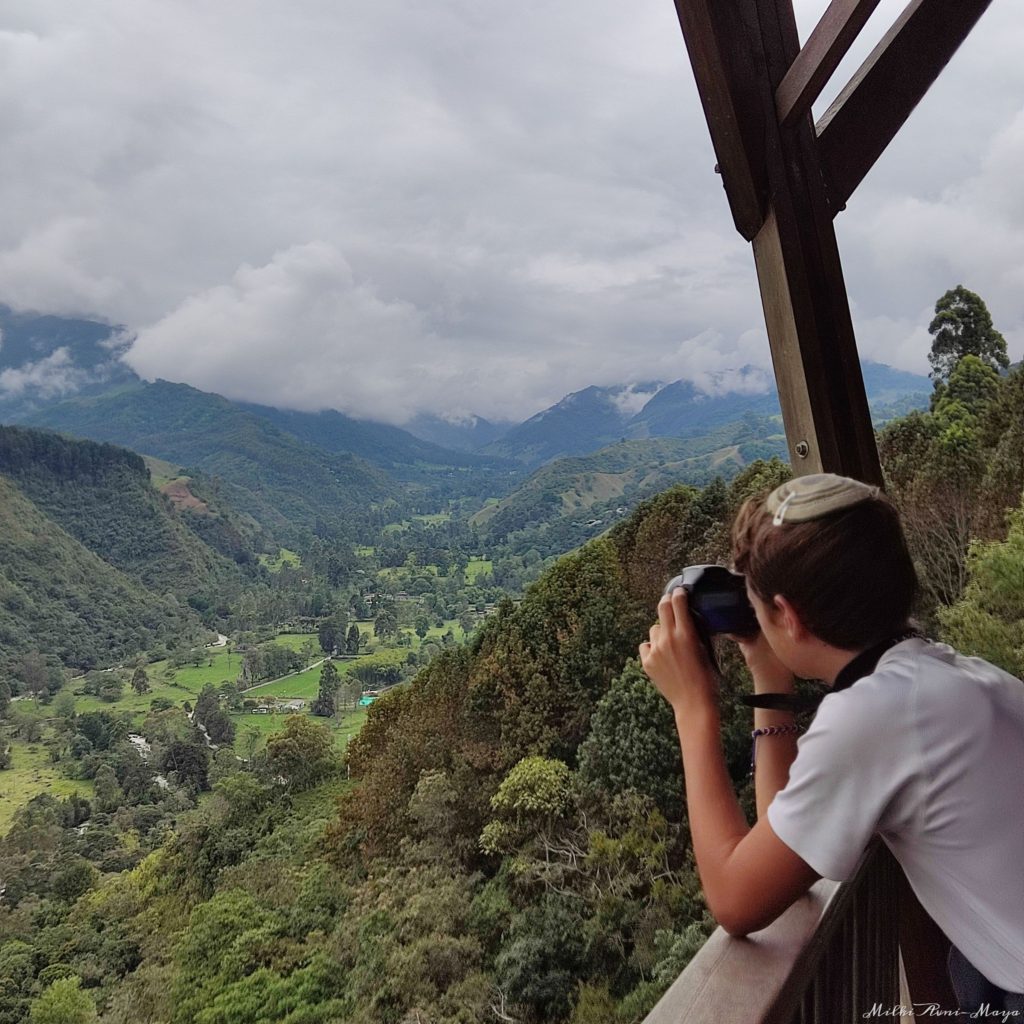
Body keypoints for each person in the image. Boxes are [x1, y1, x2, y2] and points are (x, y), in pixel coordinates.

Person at [638, 473, 1024, 1010]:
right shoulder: (946, 677)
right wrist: (770, 677)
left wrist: (692, 707)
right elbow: (789, 850)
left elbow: (735, 899)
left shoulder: (872, 715)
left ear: (789, 617)